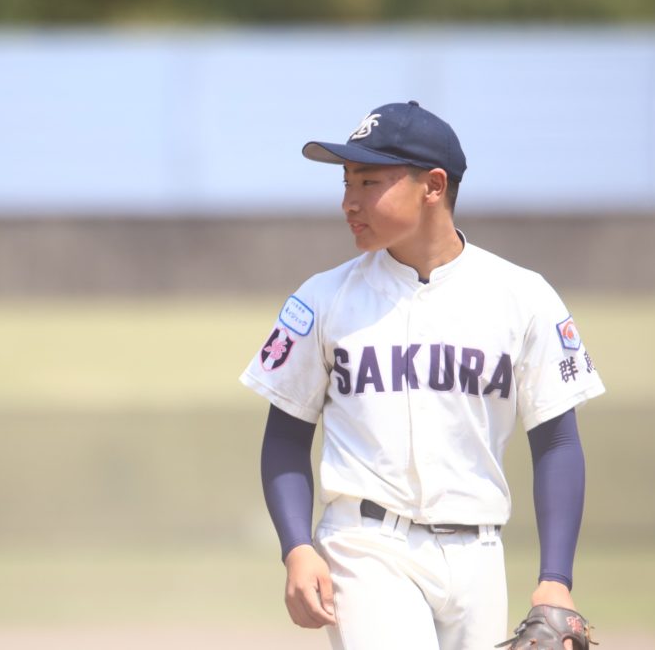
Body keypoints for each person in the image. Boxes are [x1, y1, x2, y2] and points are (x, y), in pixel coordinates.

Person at [239, 101, 605, 650]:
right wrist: (297, 546)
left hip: (480, 555)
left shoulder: (524, 298)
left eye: (369, 181)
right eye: (346, 181)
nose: (349, 201)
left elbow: (556, 441)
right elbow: (286, 437)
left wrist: (556, 580)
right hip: (365, 547)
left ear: (433, 185)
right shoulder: (323, 299)